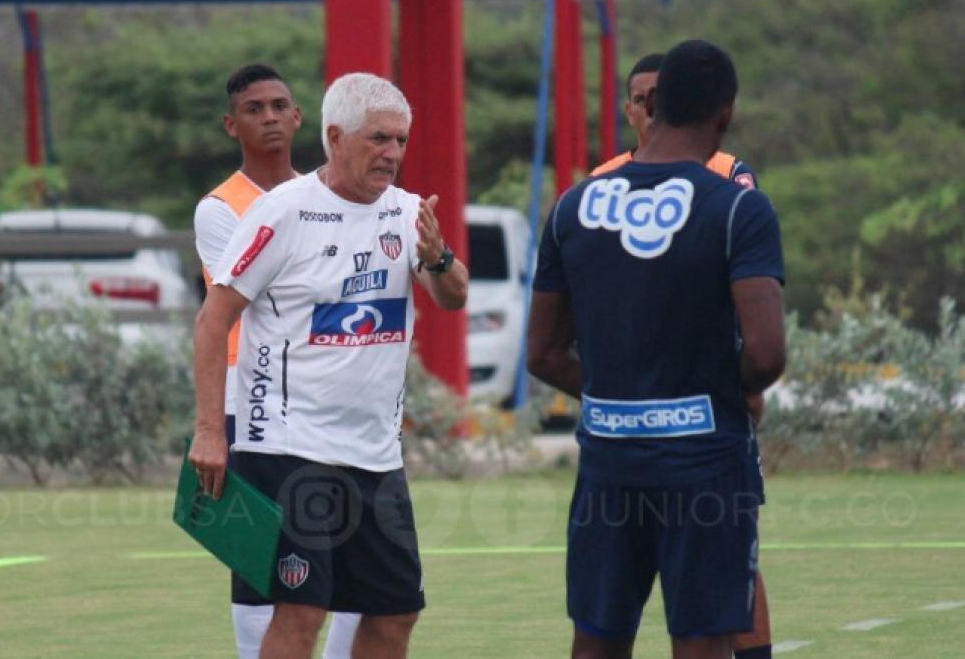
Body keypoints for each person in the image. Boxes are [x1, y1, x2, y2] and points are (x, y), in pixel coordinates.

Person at [189, 72, 468, 659]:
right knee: (303, 608)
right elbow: (213, 321)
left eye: (400, 141)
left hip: (375, 453)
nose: (391, 154)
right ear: (335, 137)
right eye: (378, 140)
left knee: (396, 613)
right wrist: (211, 431)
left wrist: (440, 258)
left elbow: (453, 297)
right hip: (290, 449)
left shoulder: (408, 212)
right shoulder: (281, 213)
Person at [527, 40, 786, 659]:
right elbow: (768, 353)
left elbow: (541, 353)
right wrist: (729, 391)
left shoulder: (574, 205)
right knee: (702, 637)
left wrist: (620, 392)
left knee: (596, 637)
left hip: (609, 461)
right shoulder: (737, 207)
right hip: (702, 459)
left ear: (655, 105)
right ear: (724, 114)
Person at [592, 52, 774, 659]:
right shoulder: (599, 184)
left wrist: (742, 384)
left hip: (706, 409)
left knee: (732, 561)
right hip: (630, 414)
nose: (648, 107)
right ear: (628, 109)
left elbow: (749, 298)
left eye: (656, 96)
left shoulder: (728, 175)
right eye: (638, 98)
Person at [194, 64, 362, 659]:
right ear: (231, 124)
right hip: (250, 402)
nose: (269, 117)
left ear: (298, 117)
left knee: (349, 556)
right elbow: (258, 297)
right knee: (259, 563)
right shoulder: (219, 209)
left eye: (279, 105)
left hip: (327, 398)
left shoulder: (331, 193)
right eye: (254, 108)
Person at [592, 53, 759, 191]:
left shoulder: (730, 172)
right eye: (641, 100)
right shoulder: (600, 181)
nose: (652, 109)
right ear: (629, 113)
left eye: (660, 98)